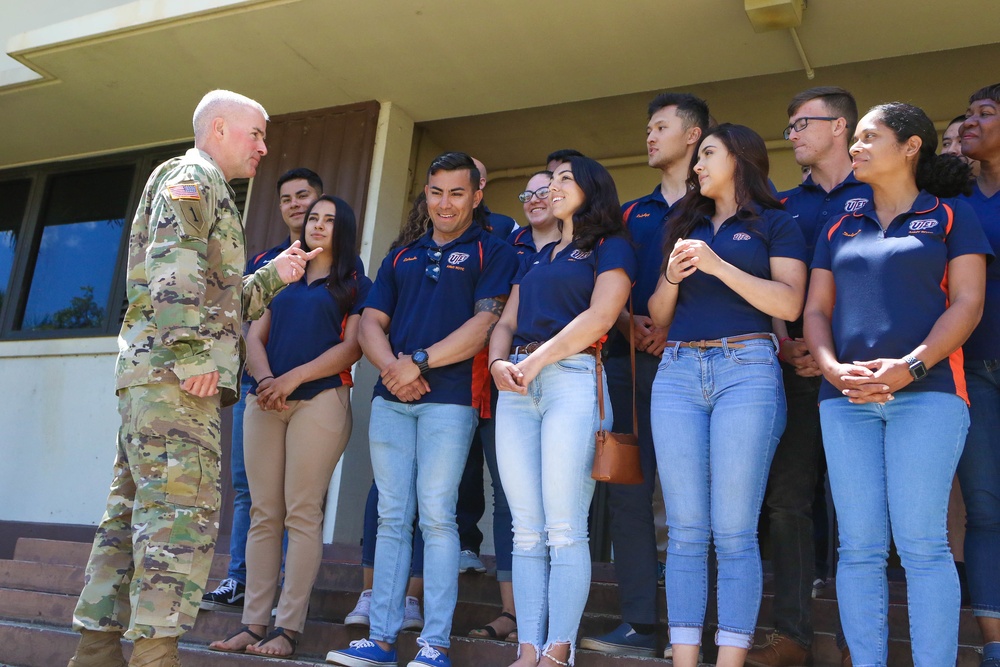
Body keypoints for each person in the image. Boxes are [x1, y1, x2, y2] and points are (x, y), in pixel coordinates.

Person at [66, 90, 317, 667]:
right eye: (256, 134)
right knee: (178, 517)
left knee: (129, 517)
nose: (264, 146)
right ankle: (154, 656)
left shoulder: (211, 190)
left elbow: (220, 301)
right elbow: (172, 265)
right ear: (221, 129)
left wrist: (273, 276)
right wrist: (191, 354)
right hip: (176, 379)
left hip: (158, 378)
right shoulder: (192, 176)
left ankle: (96, 650)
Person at [803, 101, 991, 667]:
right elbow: (815, 310)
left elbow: (968, 304)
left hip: (928, 396)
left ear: (910, 147)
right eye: (854, 138)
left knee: (922, 545)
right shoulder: (840, 219)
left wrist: (910, 366)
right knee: (857, 551)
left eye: (868, 137)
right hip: (845, 399)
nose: (855, 147)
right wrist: (832, 368)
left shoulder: (952, 214)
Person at [325, 152, 518, 667]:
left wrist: (419, 363)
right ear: (426, 195)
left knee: (437, 517)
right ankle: (382, 641)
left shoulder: (494, 251)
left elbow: (484, 328)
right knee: (392, 516)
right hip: (392, 399)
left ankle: (434, 645)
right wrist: (394, 369)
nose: (445, 203)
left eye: (457, 193)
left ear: (477, 196)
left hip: (450, 401)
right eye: (436, 192)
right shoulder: (401, 254)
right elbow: (370, 323)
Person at [649, 123, 807, 667]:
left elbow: (789, 305)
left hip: (748, 366)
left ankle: (729, 661)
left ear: (740, 157)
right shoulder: (681, 223)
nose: (696, 166)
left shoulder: (777, 222)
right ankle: (686, 660)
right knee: (686, 530)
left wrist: (718, 265)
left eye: (707, 154)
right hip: (677, 370)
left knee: (734, 529)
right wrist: (670, 277)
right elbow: (658, 317)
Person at [208, 195, 370, 657]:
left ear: (346, 229)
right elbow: (253, 336)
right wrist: (264, 380)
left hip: (320, 398)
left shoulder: (357, 282)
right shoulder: (283, 273)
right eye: (313, 218)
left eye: (329, 220)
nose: (318, 225)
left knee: (302, 512)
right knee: (264, 512)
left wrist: (291, 379)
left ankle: (288, 629)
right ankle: (253, 624)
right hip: (266, 399)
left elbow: (352, 348)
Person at [490, 155, 636, 667]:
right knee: (525, 529)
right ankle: (528, 649)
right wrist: (496, 362)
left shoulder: (610, 245)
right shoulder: (537, 252)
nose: (552, 188)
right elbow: (505, 321)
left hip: (574, 379)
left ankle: (559, 651)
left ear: (591, 189)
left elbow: (601, 315)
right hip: (515, 385)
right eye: (549, 180)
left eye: (564, 180)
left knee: (565, 527)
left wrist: (534, 360)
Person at [581, 92, 709, 659]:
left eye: (661, 127)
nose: (650, 137)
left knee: (694, 502)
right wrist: (632, 323)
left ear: (693, 134)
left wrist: (668, 324)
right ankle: (640, 624)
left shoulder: (720, 204)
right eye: (648, 128)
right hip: (631, 364)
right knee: (631, 496)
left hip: (700, 365)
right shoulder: (631, 213)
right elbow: (614, 281)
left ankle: (697, 629)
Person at [748, 86, 872, 667]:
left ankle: (858, 642)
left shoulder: (879, 188)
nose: (791, 134)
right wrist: (783, 342)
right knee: (788, 502)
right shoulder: (782, 204)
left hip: (868, 373)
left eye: (802, 123)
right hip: (795, 369)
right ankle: (793, 634)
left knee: (860, 508)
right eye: (789, 124)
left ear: (840, 126)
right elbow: (779, 287)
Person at [201, 167, 323, 613]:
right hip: (257, 387)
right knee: (248, 487)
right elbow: (244, 324)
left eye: (303, 195)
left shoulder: (336, 263)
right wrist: (263, 379)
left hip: (312, 394)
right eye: (287, 197)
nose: (295, 204)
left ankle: (286, 588)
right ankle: (240, 578)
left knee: (297, 495)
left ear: (320, 202)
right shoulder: (263, 262)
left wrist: (292, 380)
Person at [957, 83, 1000, 667]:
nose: (970, 122)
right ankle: (995, 646)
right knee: (985, 508)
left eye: (986, 113)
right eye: (967, 113)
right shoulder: (955, 195)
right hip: (971, 367)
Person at [507, 170, 562, 263]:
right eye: (527, 195)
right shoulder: (511, 242)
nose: (533, 200)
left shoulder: (578, 240)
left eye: (543, 193)